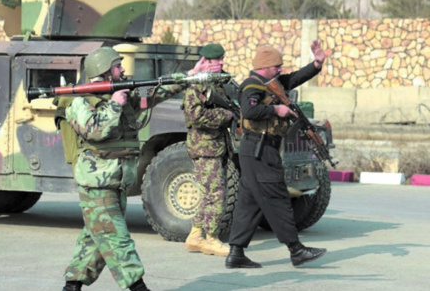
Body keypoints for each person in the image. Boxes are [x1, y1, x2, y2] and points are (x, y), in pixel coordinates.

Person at [62, 47, 212, 291]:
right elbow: (95, 131)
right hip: (97, 184)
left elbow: (151, 97)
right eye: (117, 66)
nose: (122, 69)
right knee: (116, 239)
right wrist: (113, 105)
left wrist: (189, 75)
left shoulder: (120, 95)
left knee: (96, 238)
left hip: (115, 181)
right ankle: (137, 287)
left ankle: (72, 286)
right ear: (103, 71)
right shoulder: (79, 100)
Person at [225, 41, 328, 269]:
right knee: (278, 198)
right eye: (277, 66)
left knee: (249, 202)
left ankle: (236, 252)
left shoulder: (273, 83)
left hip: (257, 150)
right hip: (260, 150)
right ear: (265, 66)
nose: (280, 69)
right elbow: (249, 110)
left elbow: (296, 77)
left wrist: (317, 63)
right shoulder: (252, 86)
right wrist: (276, 109)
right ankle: (296, 250)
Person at [182, 43, 235, 257]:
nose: (221, 62)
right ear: (205, 61)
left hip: (215, 145)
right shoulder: (196, 85)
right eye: (217, 60)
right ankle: (211, 238)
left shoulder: (215, 83)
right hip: (204, 147)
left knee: (208, 194)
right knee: (216, 193)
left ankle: (195, 236)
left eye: (222, 58)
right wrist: (226, 116)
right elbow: (195, 116)